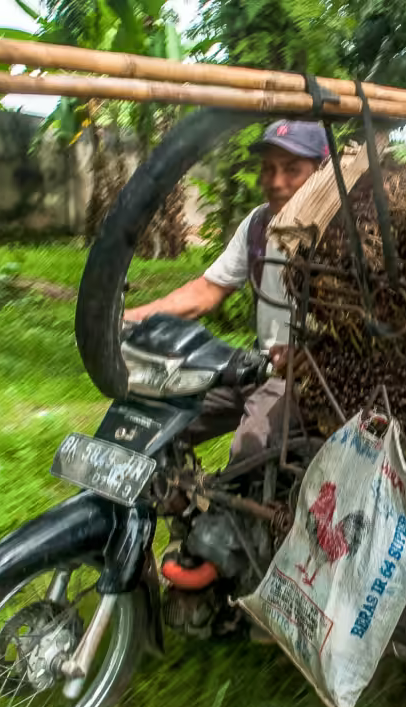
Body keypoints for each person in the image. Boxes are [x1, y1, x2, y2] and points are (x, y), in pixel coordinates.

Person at [124, 119, 328, 466]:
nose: (276, 183)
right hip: (259, 366)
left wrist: (317, 356)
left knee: (249, 451)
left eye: (292, 170)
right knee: (151, 422)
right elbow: (206, 291)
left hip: (313, 380)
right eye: (269, 169)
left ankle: (243, 517)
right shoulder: (259, 224)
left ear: (322, 171)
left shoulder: (341, 235)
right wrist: (130, 318)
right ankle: (177, 504)